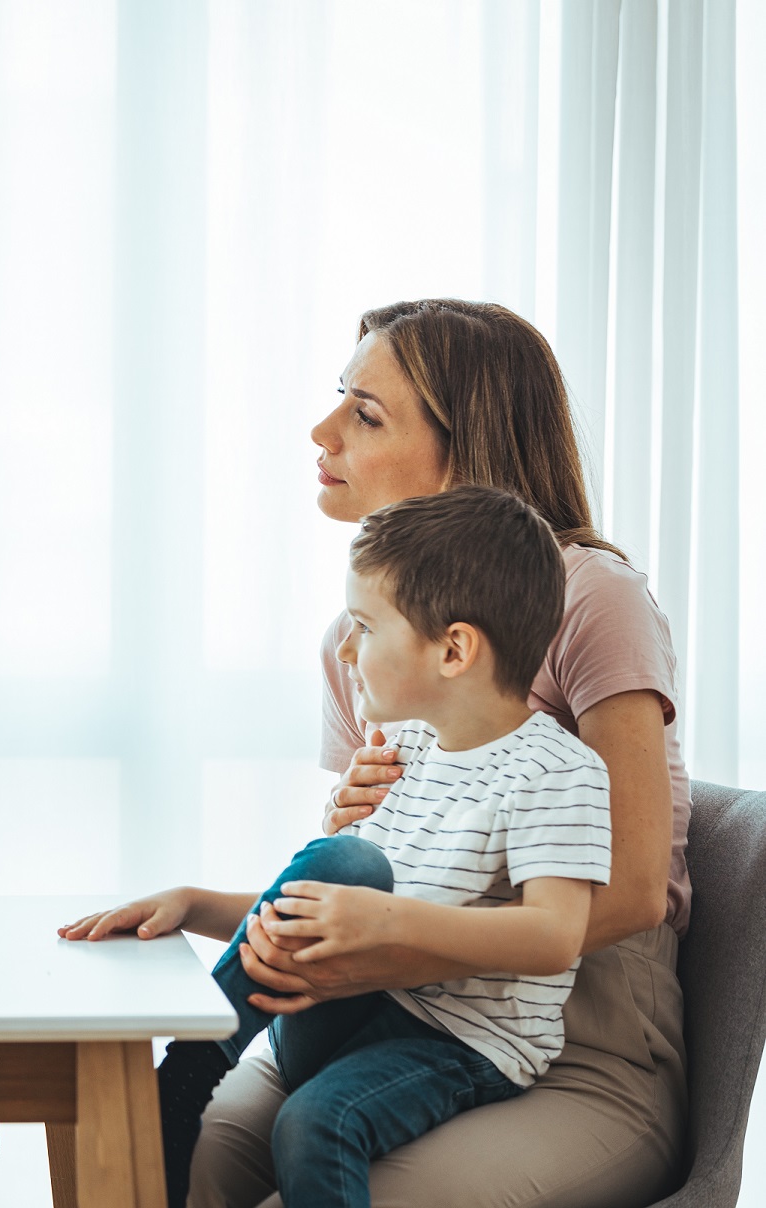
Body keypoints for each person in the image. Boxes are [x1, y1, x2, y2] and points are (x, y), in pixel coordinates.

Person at [193, 300, 689, 1206]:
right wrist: (349, 844)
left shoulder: (588, 596)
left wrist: (386, 937)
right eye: (338, 398)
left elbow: (627, 892)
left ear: (468, 452)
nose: (321, 429)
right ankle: (188, 1062)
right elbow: (381, 865)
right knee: (214, 1151)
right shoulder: (359, 642)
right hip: (392, 1009)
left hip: (572, 1036)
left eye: (365, 413)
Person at [63, 485, 613, 1207]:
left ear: (453, 650)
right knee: (346, 861)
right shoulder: (402, 751)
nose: (346, 649)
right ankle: (191, 1073)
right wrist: (193, 904)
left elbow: (552, 936)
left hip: (463, 1043)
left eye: (363, 626)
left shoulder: (557, 771)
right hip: (352, 1002)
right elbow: (324, 916)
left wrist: (386, 921)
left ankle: (187, 1081)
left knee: (315, 1121)